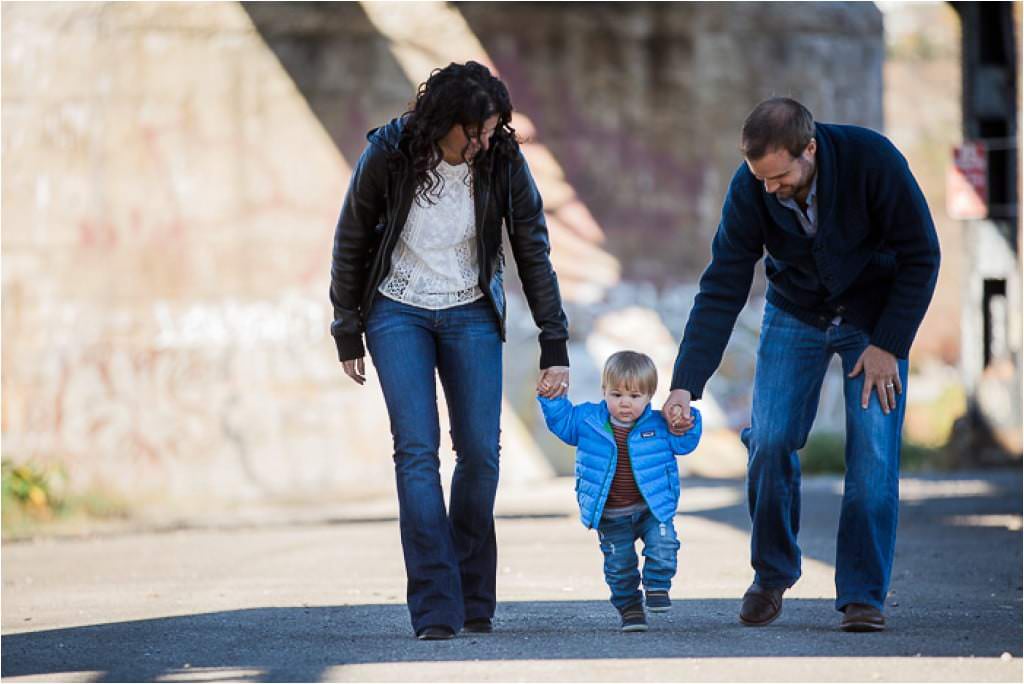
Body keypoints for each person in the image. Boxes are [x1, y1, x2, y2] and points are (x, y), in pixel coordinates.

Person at [663, 98, 940, 632]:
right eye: (760, 178)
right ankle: (772, 573)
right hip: (796, 313)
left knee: (873, 455)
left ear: (809, 149)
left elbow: (922, 254)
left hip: (873, 321)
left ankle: (862, 594)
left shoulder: (872, 160)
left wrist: (888, 343)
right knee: (768, 441)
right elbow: (723, 284)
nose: (770, 189)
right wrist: (686, 385)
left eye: (780, 176)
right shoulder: (752, 188)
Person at [329, 61, 571, 640]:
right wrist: (346, 326)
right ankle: (436, 605)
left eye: (493, 130)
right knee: (416, 452)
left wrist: (553, 339)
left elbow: (532, 247)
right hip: (397, 310)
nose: (485, 141)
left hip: (470, 312)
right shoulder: (388, 153)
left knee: (481, 455)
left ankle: (471, 592)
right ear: (444, 122)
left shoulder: (503, 160)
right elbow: (353, 236)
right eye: (477, 131)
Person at [538, 351, 702, 632]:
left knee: (664, 545)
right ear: (604, 391)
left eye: (635, 396)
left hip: (651, 508)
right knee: (619, 565)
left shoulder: (659, 424)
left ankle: (657, 585)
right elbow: (562, 422)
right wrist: (552, 399)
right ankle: (630, 609)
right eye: (616, 395)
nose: (624, 402)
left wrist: (685, 421)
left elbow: (685, 442)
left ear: (650, 396)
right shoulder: (588, 420)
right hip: (610, 514)